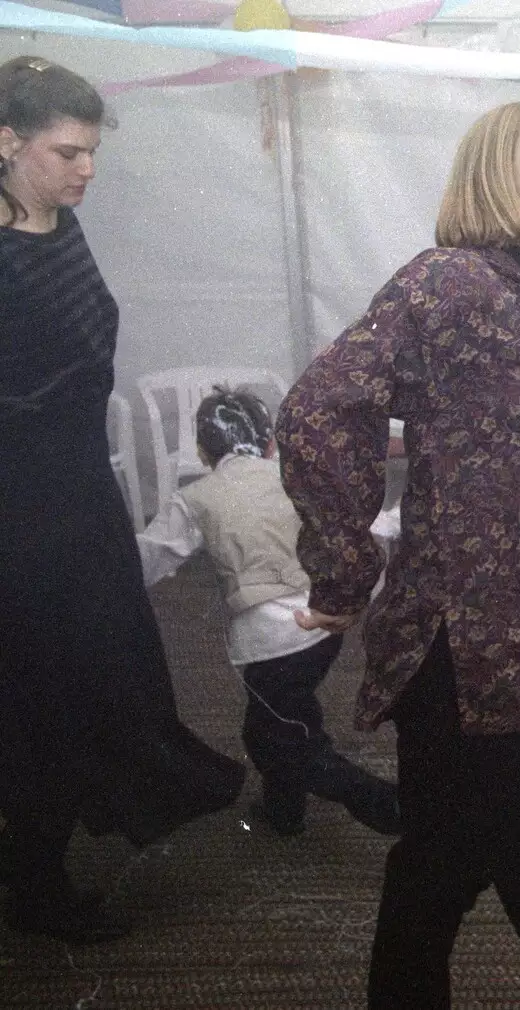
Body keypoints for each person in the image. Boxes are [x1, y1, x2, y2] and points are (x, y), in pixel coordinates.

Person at [275, 102, 520, 1009]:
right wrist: (344, 567)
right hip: (473, 651)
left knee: (440, 868)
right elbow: (319, 410)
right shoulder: (454, 285)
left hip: (500, 640)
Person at [0, 56, 246, 945]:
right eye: (67, 151)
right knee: (45, 696)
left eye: (93, 151)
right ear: (5, 142)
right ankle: (33, 886)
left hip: (76, 490)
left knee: (101, 676)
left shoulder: (54, 221)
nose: (86, 170)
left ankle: (51, 848)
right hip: (21, 511)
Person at [135, 386, 401, 838]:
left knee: (277, 738)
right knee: (281, 720)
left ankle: (383, 803)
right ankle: (284, 810)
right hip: (323, 628)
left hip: (266, 643)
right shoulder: (294, 477)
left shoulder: (196, 499)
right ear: (270, 443)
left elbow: (146, 559)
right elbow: (367, 521)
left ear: (202, 451)